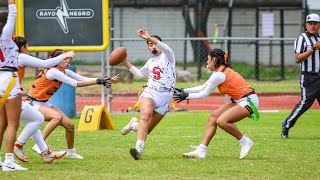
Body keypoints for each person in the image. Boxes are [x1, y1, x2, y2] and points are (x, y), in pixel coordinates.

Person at [28, 49, 119, 159]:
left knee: (70, 125)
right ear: (56, 61)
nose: (68, 61)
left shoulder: (64, 71)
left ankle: (70, 152)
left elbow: (82, 78)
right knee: (57, 117)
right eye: (65, 59)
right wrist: (98, 81)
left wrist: (104, 79)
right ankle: (39, 145)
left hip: (44, 102)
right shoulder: (53, 71)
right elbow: (75, 83)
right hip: (34, 103)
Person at [174, 48, 259, 159]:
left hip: (249, 101)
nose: (207, 62)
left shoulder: (219, 74)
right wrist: (184, 90)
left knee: (222, 121)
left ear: (214, 59)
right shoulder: (219, 72)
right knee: (213, 117)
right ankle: (201, 150)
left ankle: (245, 141)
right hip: (241, 100)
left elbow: (204, 94)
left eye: (208, 59)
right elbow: (203, 87)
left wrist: (186, 96)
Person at [13, 36, 75, 163]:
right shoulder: (20, 56)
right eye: (27, 46)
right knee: (36, 119)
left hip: (14, 94)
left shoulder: (8, 56)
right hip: (12, 96)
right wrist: (65, 55)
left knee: (34, 120)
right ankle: (17, 146)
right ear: (23, 47)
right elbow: (44, 64)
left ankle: (46, 153)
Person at [120, 29, 176, 160]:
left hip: (166, 97)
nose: (152, 46)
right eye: (149, 45)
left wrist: (149, 37)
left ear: (159, 44)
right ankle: (138, 150)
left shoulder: (168, 55)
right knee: (145, 116)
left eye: (154, 43)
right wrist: (125, 61)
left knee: (146, 130)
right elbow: (140, 74)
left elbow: (166, 47)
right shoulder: (150, 62)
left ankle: (133, 125)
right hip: (151, 91)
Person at [281, 13, 320, 139]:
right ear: (306, 25)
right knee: (305, 103)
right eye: (310, 23)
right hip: (309, 77)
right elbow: (298, 59)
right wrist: (312, 49)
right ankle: (286, 124)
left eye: (315, 23)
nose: (313, 26)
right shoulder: (302, 38)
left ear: (319, 25)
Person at [0, 0, 28, 171]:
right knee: (13, 124)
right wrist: (12, 2)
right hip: (9, 79)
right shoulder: (4, 37)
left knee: (1, 124)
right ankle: (9, 162)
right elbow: (13, 15)